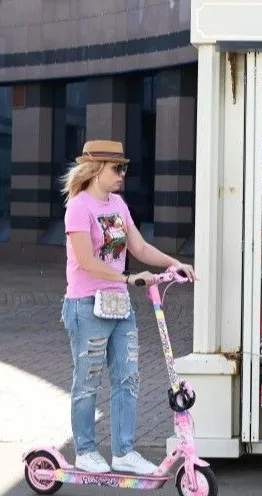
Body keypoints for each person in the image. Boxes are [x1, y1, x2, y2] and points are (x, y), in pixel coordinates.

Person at [60, 140, 197, 475]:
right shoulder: (79, 207)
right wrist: (128, 277)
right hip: (87, 305)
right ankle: (86, 451)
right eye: (116, 168)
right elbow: (87, 261)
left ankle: (123, 451)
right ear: (95, 170)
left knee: (128, 378)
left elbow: (139, 245)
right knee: (88, 380)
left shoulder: (118, 204)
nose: (122, 174)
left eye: (124, 168)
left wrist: (173, 263)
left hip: (119, 305)